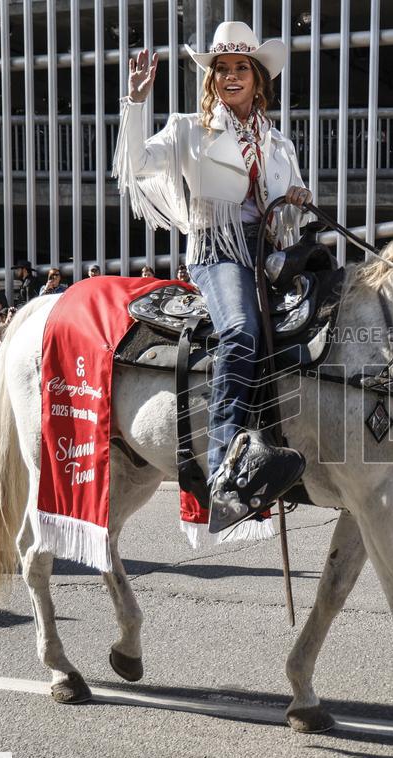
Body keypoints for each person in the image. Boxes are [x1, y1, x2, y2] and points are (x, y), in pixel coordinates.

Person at [113, 22, 311, 524]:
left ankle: (278, 444)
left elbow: (286, 222)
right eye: (221, 68)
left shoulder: (278, 144)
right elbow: (135, 165)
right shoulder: (188, 129)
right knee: (242, 332)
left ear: (258, 77)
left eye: (240, 67)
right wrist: (135, 103)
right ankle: (224, 464)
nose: (229, 76)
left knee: (312, 329)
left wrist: (295, 203)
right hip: (216, 251)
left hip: (266, 254)